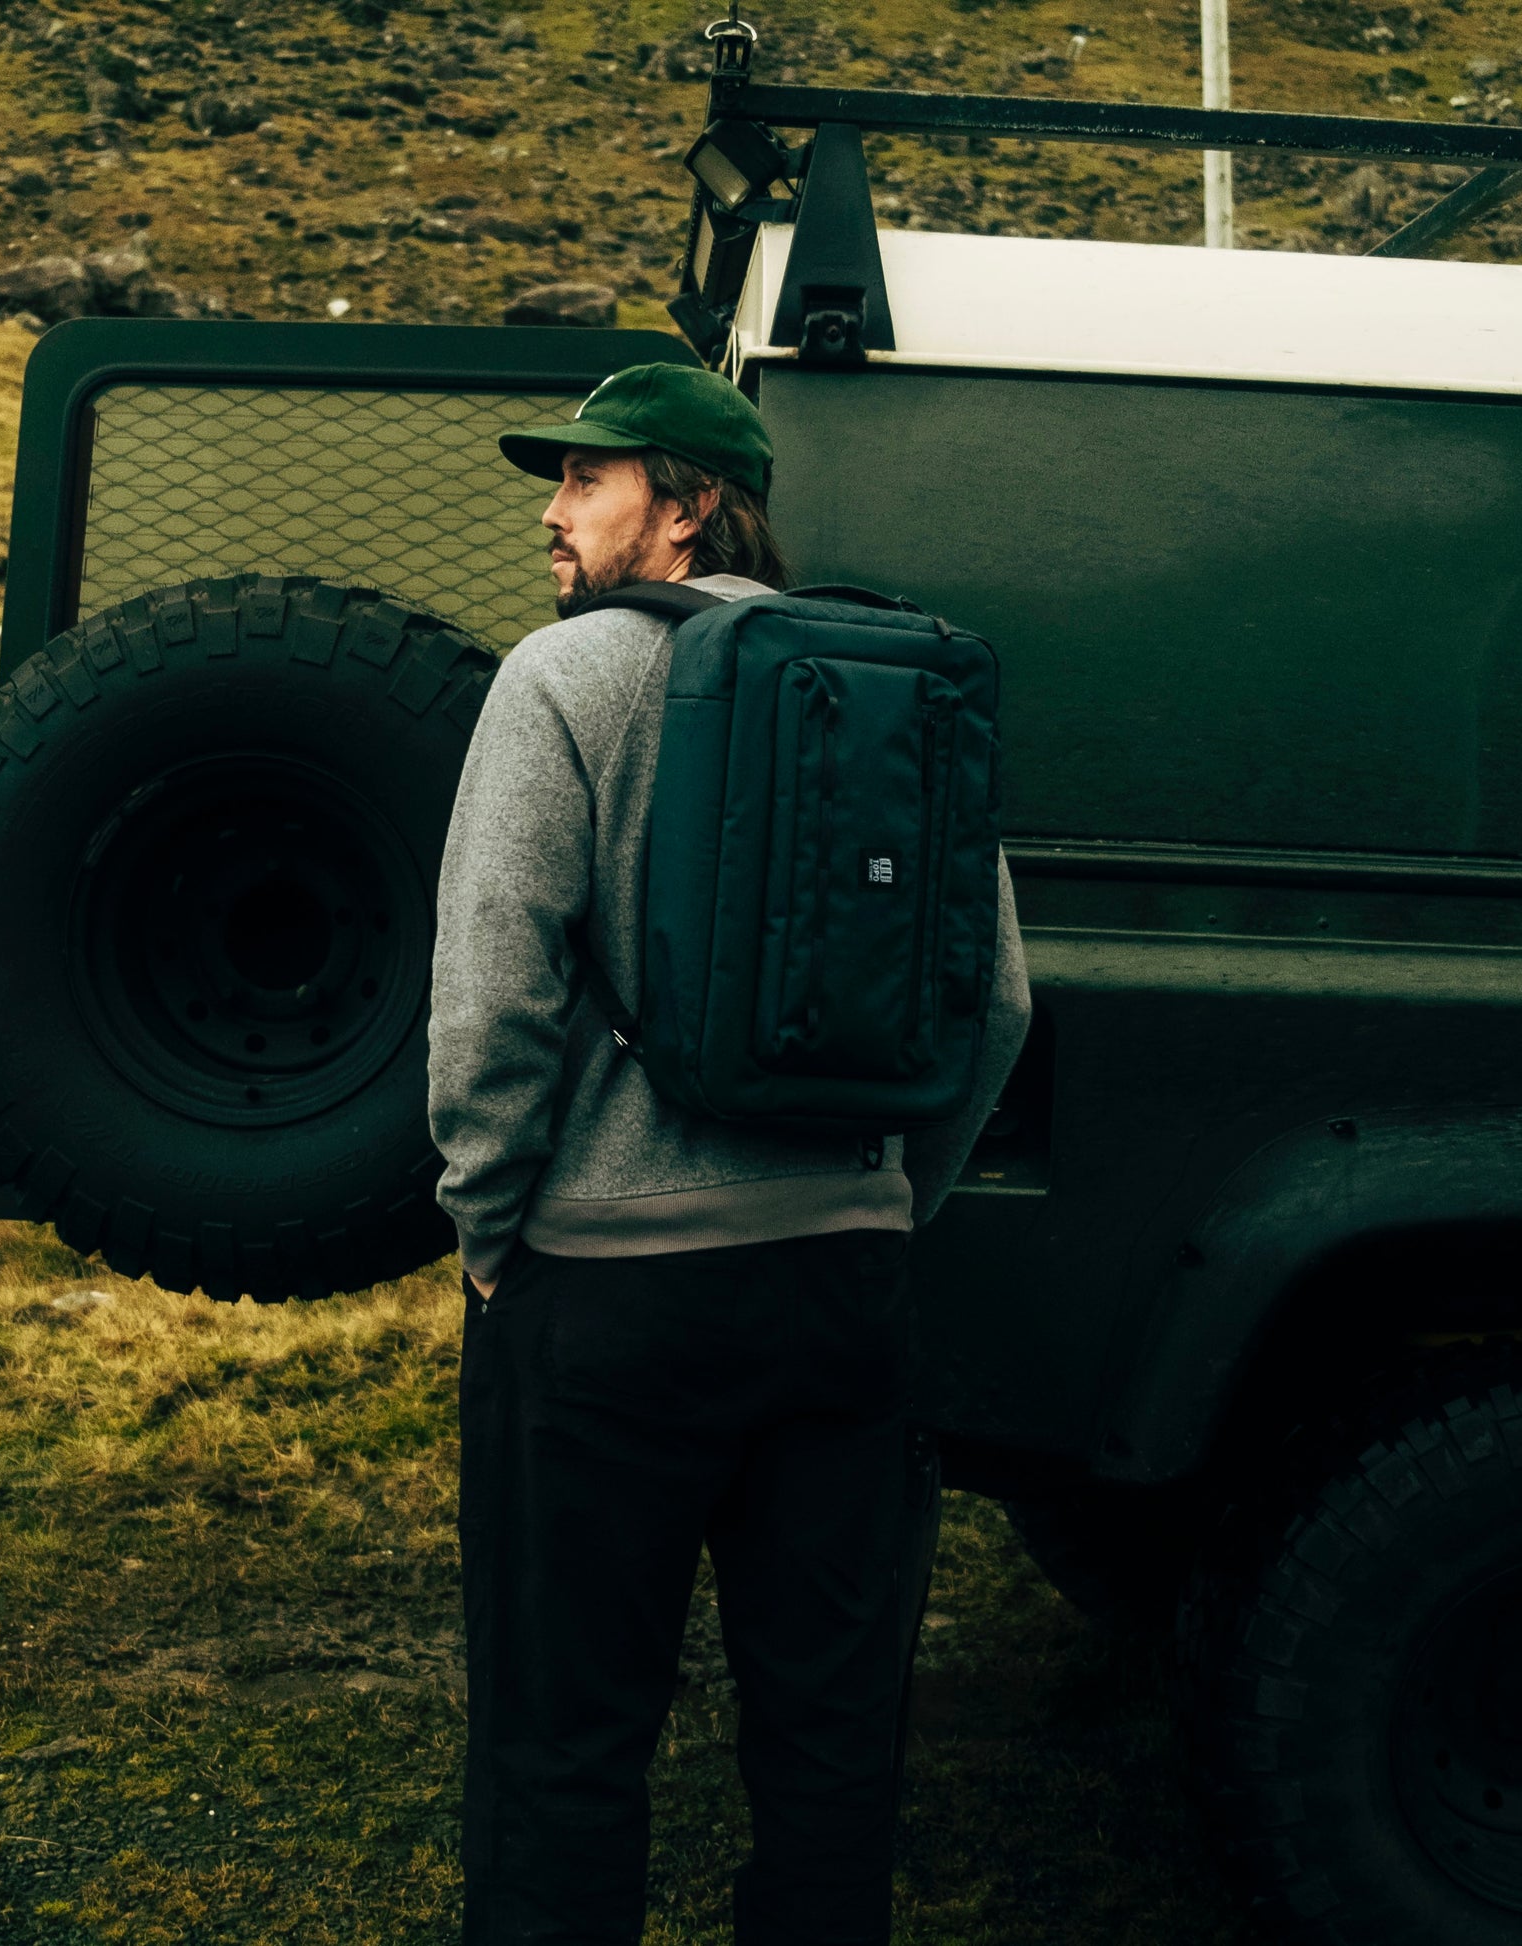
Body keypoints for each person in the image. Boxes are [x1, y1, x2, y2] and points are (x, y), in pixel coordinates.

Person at [427, 362, 1031, 1945]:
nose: (553, 517)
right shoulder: (891, 678)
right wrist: (884, 1203)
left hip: (604, 1300)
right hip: (842, 1295)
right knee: (831, 1749)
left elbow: (491, 994)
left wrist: (494, 1231)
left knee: (565, 1744)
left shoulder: (556, 682)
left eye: (586, 482)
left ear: (687, 504)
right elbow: (999, 1003)